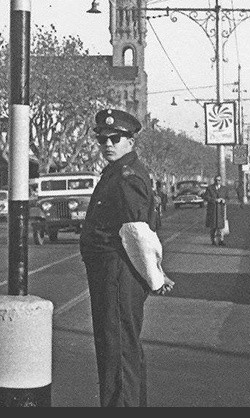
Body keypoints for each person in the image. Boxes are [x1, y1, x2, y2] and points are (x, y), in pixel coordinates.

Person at [80, 108, 175, 407]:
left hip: (117, 273)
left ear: (131, 141)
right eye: (102, 139)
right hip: (112, 274)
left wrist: (156, 277)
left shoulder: (126, 177)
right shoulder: (118, 173)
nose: (108, 143)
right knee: (119, 350)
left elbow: (138, 233)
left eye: (116, 138)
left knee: (118, 352)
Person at [204, 175, 230, 246]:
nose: (217, 182)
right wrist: (214, 200)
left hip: (221, 210)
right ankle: (213, 241)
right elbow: (206, 197)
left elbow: (228, 198)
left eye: (219, 180)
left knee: (221, 227)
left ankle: (221, 240)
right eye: (216, 180)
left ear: (221, 181)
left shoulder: (224, 189)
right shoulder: (210, 188)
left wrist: (224, 200)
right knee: (213, 227)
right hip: (212, 210)